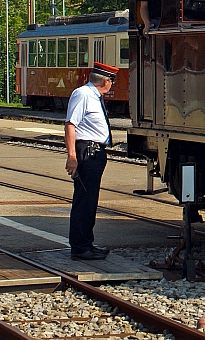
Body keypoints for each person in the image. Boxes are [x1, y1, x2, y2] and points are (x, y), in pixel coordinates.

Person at [64, 61, 118, 260]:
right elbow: (70, 125)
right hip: (86, 151)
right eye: (112, 80)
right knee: (84, 200)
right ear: (105, 81)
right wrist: (72, 157)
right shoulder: (83, 95)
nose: (112, 84)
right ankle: (79, 247)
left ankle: (87, 242)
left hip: (95, 152)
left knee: (90, 200)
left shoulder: (94, 97)